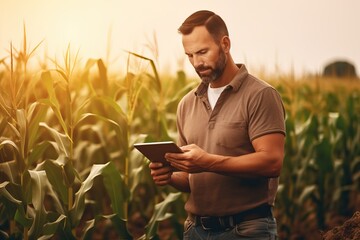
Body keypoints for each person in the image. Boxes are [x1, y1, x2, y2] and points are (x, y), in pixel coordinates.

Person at [149, 10, 286, 240]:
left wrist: (207, 162)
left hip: (247, 230)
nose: (196, 62)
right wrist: (170, 175)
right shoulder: (186, 104)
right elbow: (191, 178)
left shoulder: (260, 95)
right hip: (195, 230)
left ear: (225, 44)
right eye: (189, 55)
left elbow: (272, 162)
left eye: (202, 52)